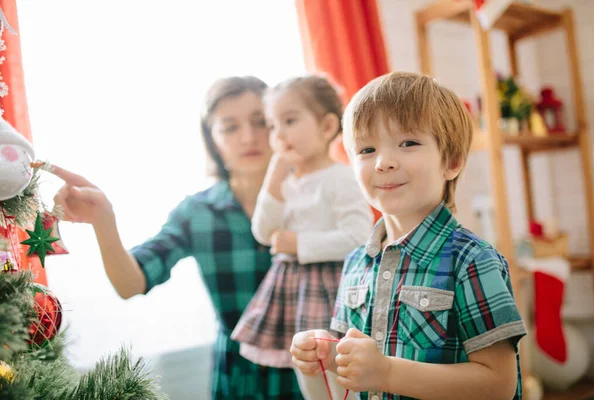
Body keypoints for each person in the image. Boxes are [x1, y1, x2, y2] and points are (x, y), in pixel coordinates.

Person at [50, 76, 305, 399]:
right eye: (230, 126)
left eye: (260, 122)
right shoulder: (197, 212)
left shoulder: (317, 197)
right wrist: (104, 220)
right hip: (240, 378)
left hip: (313, 370)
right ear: (212, 139)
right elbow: (131, 284)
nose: (249, 136)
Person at [290, 72, 527, 400]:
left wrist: (387, 373)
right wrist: (325, 355)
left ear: (452, 161)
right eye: (367, 149)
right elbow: (354, 365)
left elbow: (499, 385)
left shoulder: (472, 260)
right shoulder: (356, 264)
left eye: (408, 143)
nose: (384, 162)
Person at [230, 75, 373, 394]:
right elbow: (263, 231)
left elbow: (358, 237)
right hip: (294, 290)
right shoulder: (287, 183)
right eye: (272, 125)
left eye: (289, 121)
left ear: (325, 127)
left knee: (339, 373)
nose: (278, 134)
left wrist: (298, 244)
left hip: (332, 287)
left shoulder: (340, 178)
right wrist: (275, 176)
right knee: (308, 371)